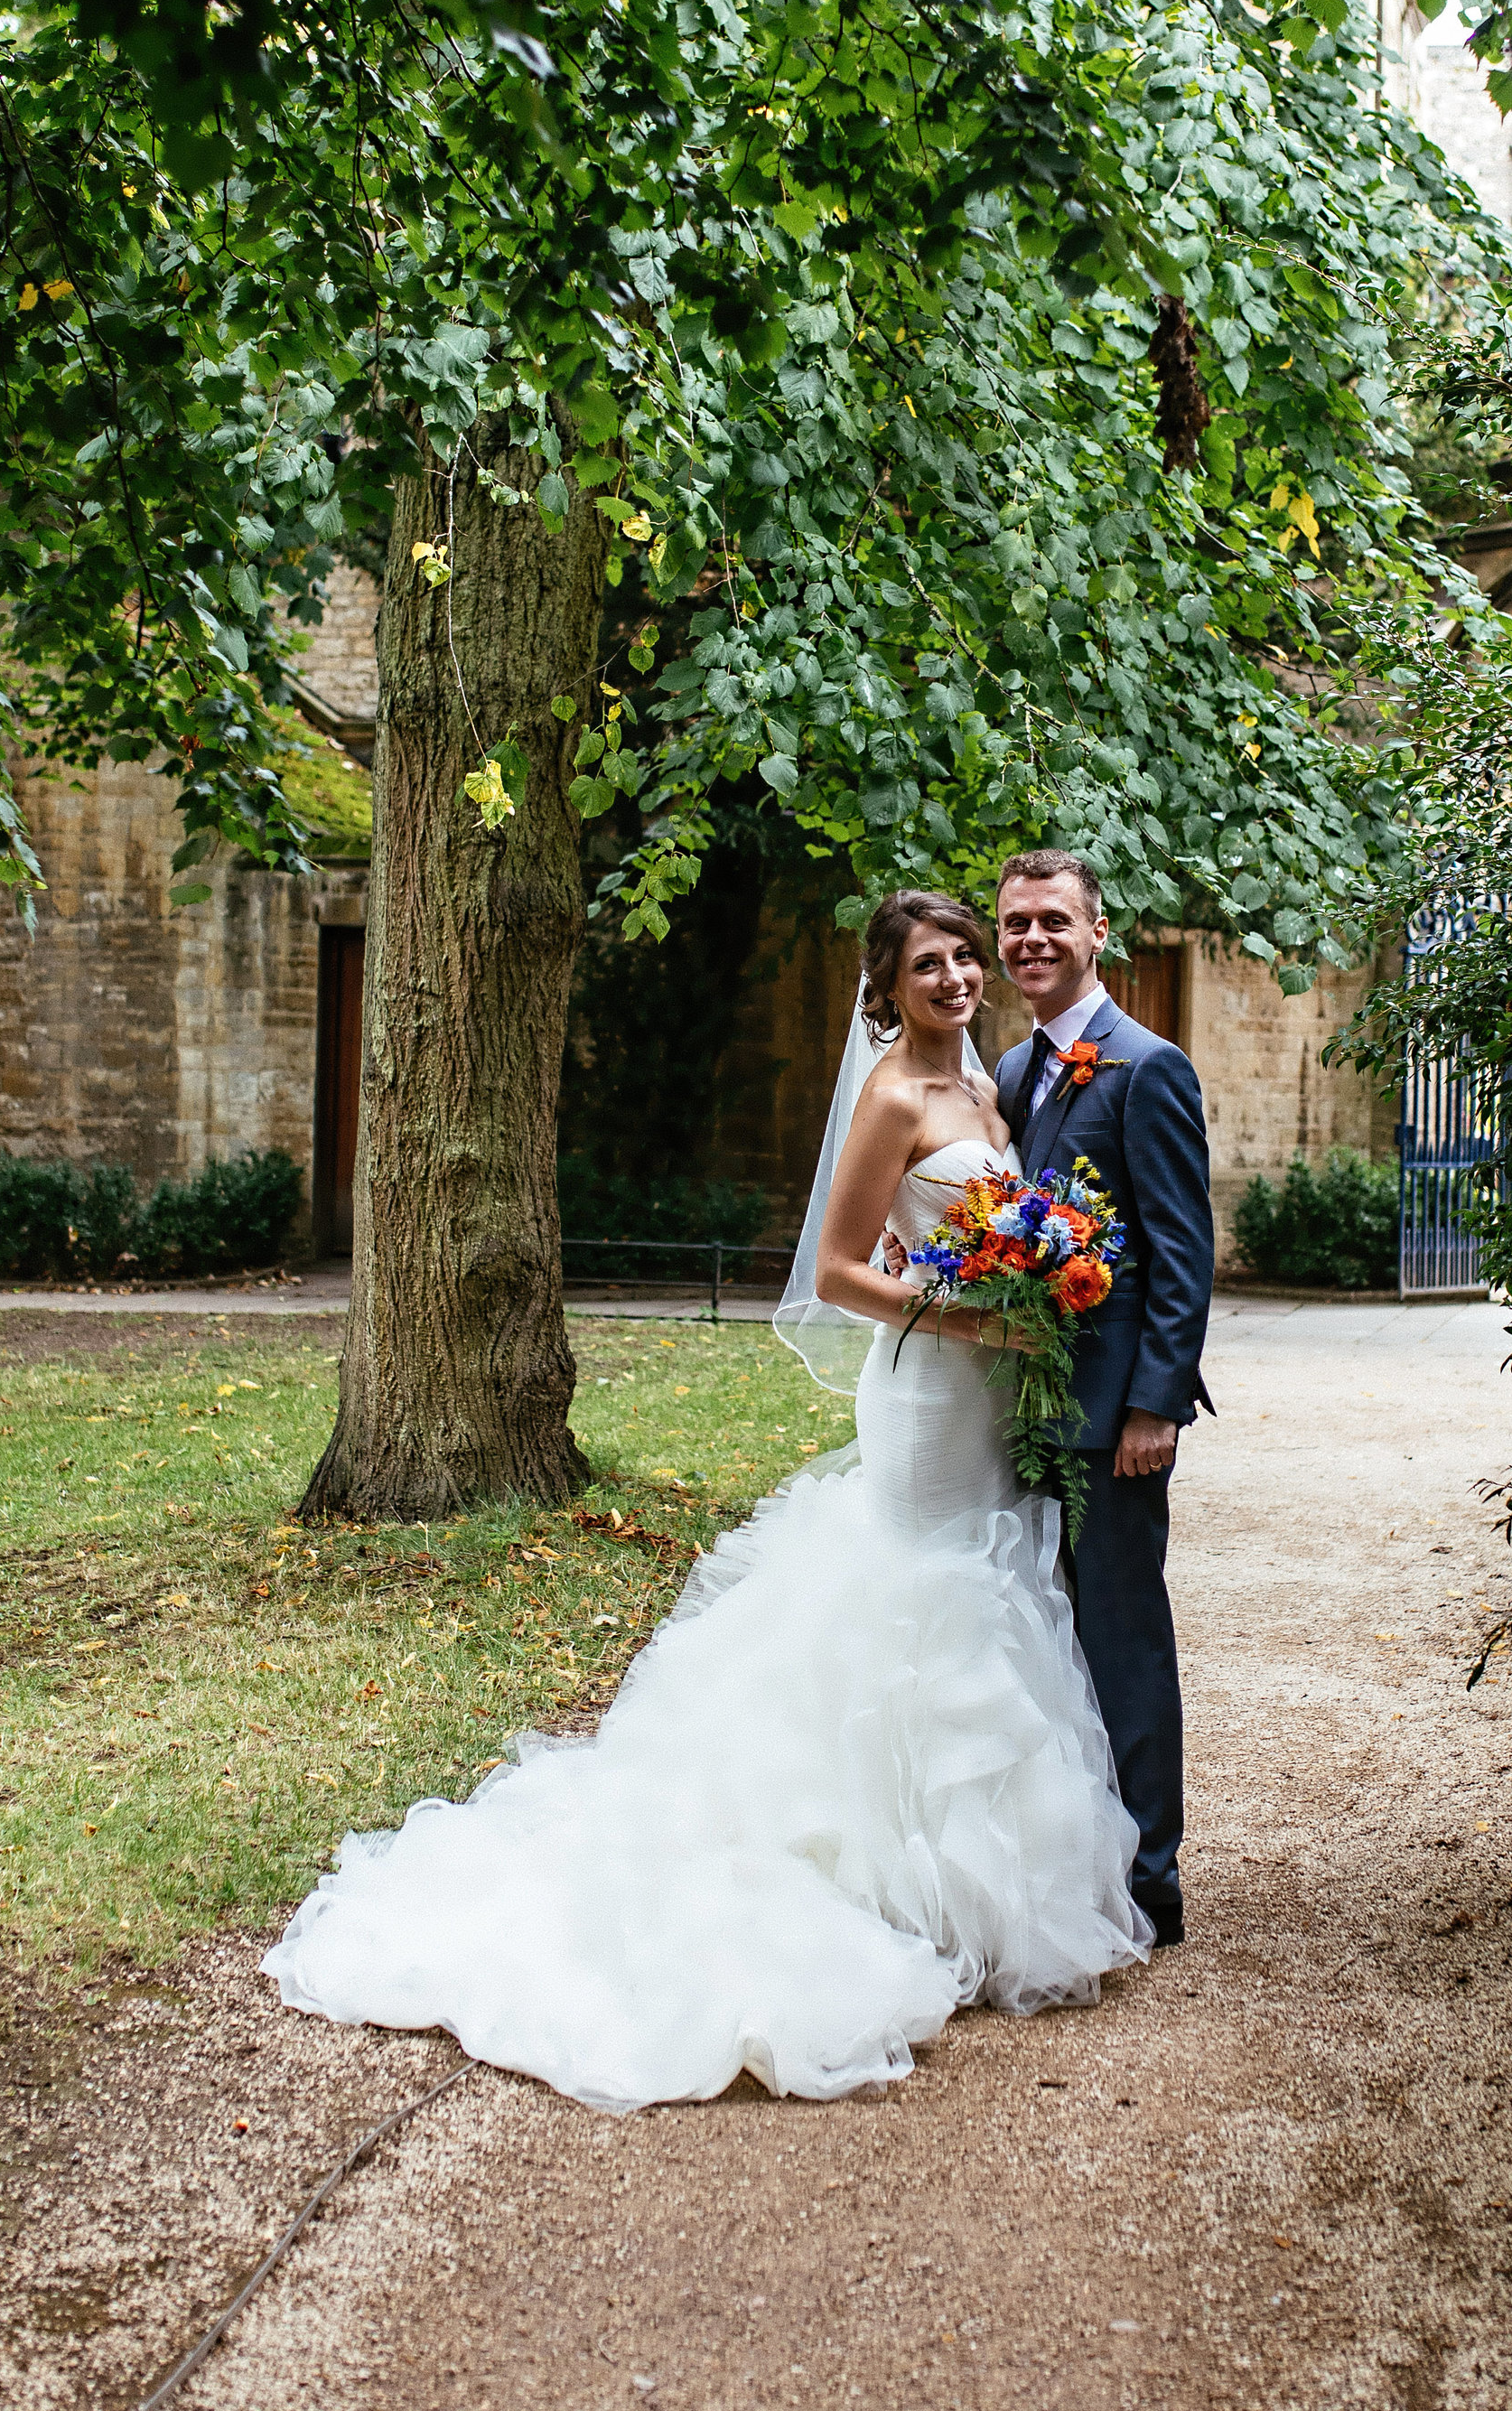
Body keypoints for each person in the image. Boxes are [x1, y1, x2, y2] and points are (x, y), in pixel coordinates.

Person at [260, 888, 1146, 2112]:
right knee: (915, 1595)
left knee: (990, 1596)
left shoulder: (990, 1089)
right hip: (929, 1399)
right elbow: (839, 1269)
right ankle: (872, 1875)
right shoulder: (892, 1094)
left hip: (989, 1395)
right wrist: (967, 1315)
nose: (952, 976)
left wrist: (1027, 1280)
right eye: (925, 964)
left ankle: (967, 1885)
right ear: (882, 987)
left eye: (961, 957)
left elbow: (965, 1230)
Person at [989, 846, 1215, 1944]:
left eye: (1052, 922)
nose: (1031, 939)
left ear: (1096, 932)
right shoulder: (1008, 1070)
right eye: (1015, 923)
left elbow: (1181, 1250)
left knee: (1121, 1633)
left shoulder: (1146, 1065)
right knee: (1037, 1634)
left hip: (1112, 1413)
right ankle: (1065, 1858)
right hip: (1023, 1405)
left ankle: (1149, 1879)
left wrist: (1155, 1405)